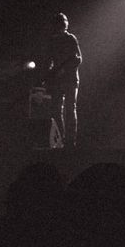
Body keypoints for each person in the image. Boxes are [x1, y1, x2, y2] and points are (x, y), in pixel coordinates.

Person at [45, 13, 82, 147]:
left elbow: (78, 59)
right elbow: (48, 61)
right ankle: (60, 139)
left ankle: (70, 141)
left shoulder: (71, 38)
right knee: (56, 110)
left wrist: (64, 69)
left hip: (70, 79)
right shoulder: (52, 41)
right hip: (58, 80)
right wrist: (49, 74)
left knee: (70, 109)